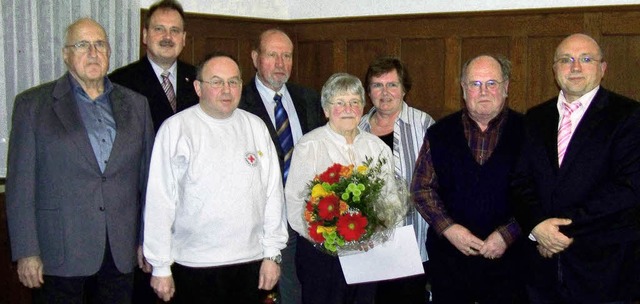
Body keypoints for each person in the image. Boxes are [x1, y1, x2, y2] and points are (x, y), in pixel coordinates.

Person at [5, 18, 154, 303]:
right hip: (60, 252)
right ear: (65, 54)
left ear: (109, 52)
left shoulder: (136, 104)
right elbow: (20, 187)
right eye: (82, 45)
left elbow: (146, 182)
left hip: (120, 253)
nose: (93, 52)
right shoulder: (33, 105)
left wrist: (145, 240)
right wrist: (26, 251)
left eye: (100, 44)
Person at [143, 53, 288, 303]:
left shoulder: (256, 127)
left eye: (233, 82)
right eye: (217, 82)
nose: (226, 90)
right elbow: (160, 201)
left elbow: (273, 194)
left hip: (250, 262)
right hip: (194, 264)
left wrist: (272, 254)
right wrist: (160, 266)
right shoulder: (176, 129)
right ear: (198, 87)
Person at [510, 33, 640, 303]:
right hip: (541, 273)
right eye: (566, 60)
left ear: (603, 68)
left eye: (586, 59)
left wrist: (558, 232)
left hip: (603, 271)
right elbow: (519, 182)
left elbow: (628, 189)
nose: (576, 67)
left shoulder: (629, 116)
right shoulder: (535, 117)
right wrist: (537, 227)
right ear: (555, 69)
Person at [411, 54, 526, 303]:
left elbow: (540, 191)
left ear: (506, 88)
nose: (483, 91)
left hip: (512, 264)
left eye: (491, 83)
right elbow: (422, 189)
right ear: (463, 89)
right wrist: (449, 229)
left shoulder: (529, 132)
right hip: (450, 264)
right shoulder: (440, 133)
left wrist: (507, 234)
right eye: (475, 84)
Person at [285, 73, 399, 304]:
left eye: (354, 102)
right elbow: (295, 202)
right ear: (326, 110)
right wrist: (326, 238)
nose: (348, 108)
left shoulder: (377, 148)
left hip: (366, 252)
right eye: (339, 103)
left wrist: (375, 232)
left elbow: (391, 200)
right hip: (321, 256)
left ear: (362, 108)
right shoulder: (310, 145)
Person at [239, 28, 325, 304]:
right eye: (272, 55)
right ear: (255, 58)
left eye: (286, 56)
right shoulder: (238, 103)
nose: (280, 63)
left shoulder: (309, 99)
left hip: (309, 221)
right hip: (261, 222)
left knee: (307, 290)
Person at [359, 56, 435, 303]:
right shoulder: (357, 128)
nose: (385, 92)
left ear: (404, 89)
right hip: (368, 243)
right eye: (377, 85)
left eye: (392, 85)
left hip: (412, 241)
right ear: (369, 92)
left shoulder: (423, 124)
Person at [110, 0, 198, 132]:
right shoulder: (120, 82)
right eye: (159, 29)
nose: (167, 37)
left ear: (184, 38)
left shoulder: (199, 79)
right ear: (145, 35)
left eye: (175, 30)